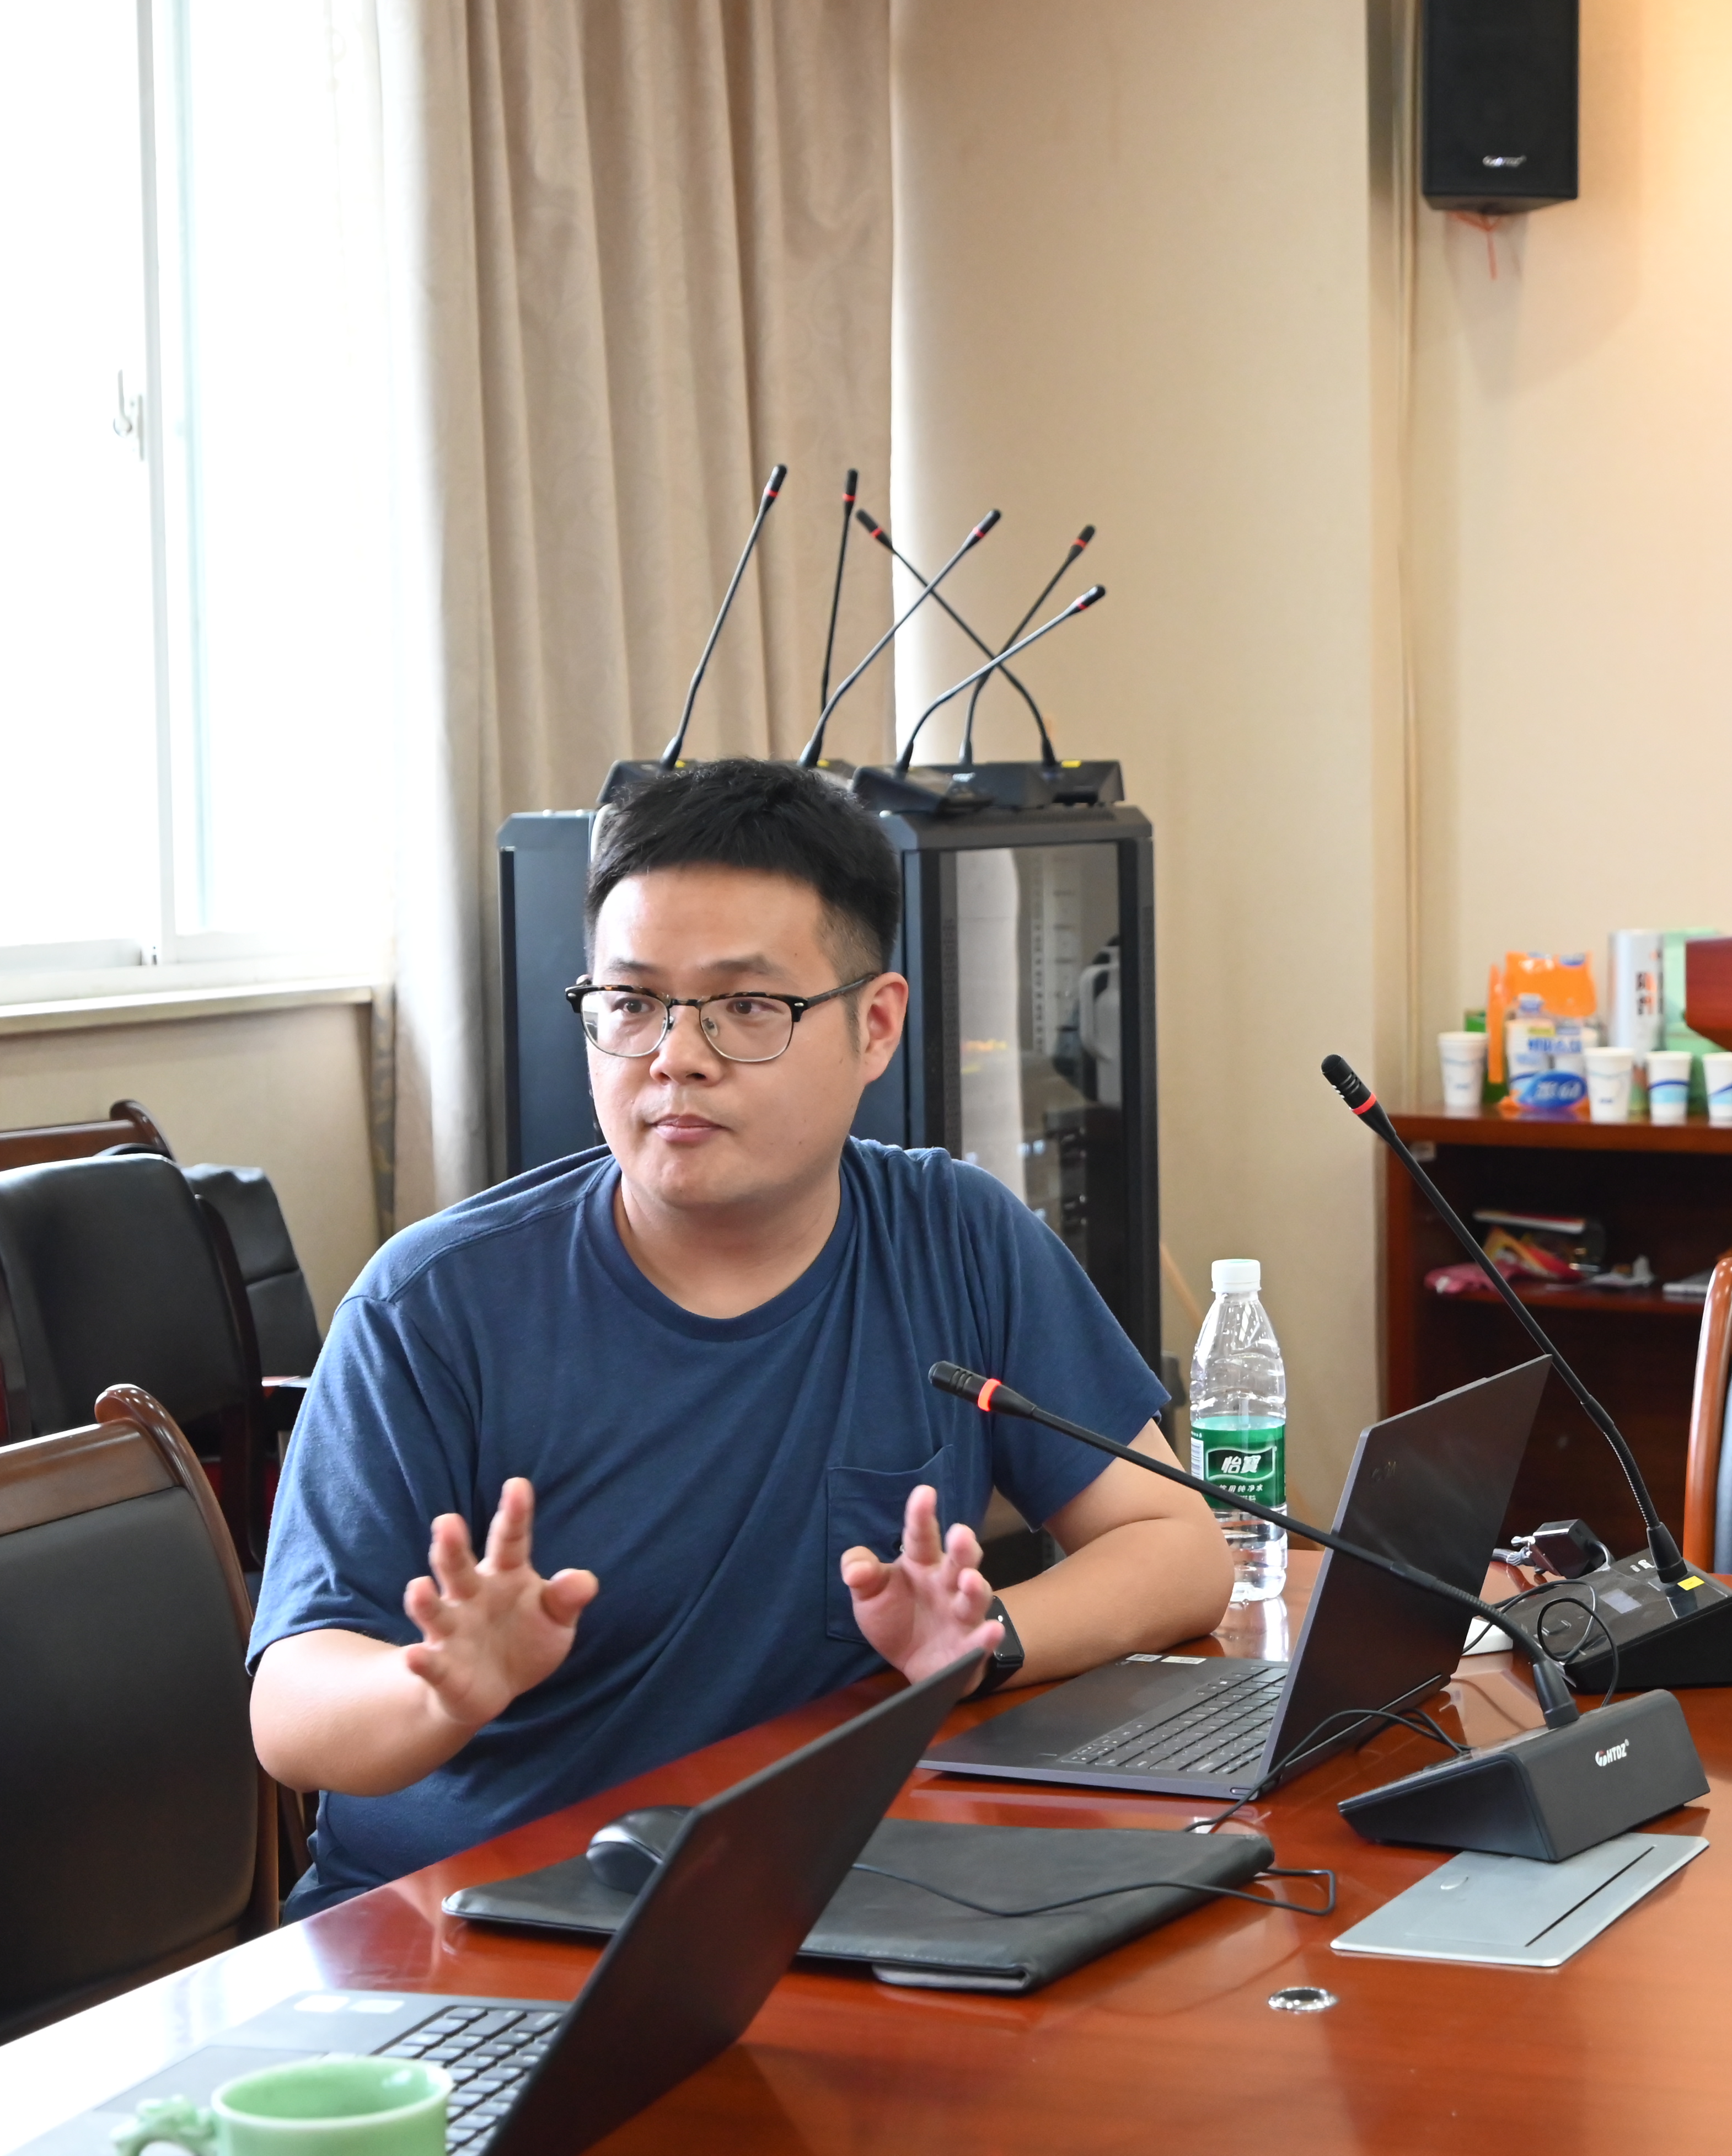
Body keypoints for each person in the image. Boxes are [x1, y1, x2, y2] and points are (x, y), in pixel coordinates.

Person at [249, 758, 1230, 1915]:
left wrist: (984, 1640)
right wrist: (438, 1691)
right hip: (472, 1925)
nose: (676, 1054)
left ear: (875, 1025)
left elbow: (1177, 1543)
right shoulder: (432, 1304)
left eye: (747, 1007)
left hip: (806, 1888)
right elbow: (291, 1710)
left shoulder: (956, 1234)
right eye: (631, 1004)